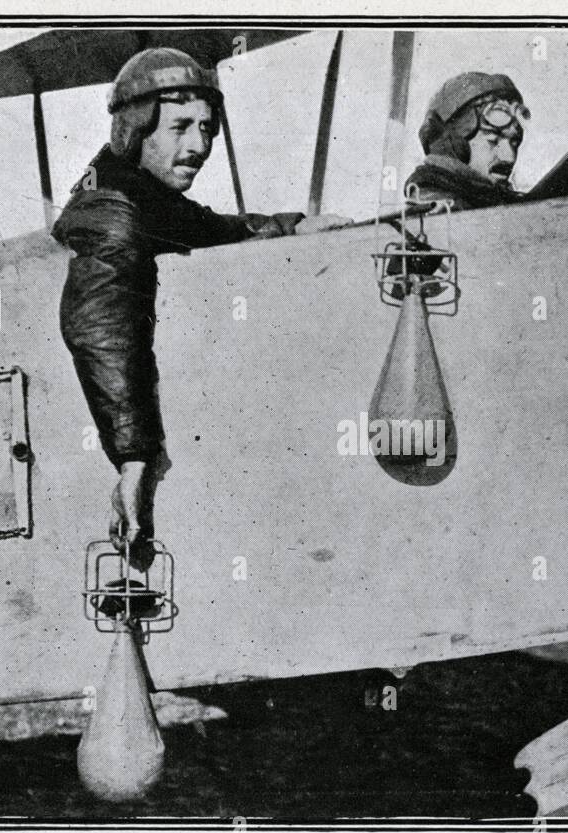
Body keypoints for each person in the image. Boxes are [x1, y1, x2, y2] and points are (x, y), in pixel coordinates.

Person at [53, 48, 349, 564]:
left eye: (207, 128)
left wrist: (293, 226)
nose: (199, 146)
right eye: (180, 127)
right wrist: (133, 459)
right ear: (135, 129)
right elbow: (101, 327)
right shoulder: (113, 212)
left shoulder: (141, 194)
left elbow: (212, 229)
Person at [404, 72, 530, 212]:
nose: (509, 158)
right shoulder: (442, 211)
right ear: (455, 145)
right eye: (493, 141)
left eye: (514, 142)